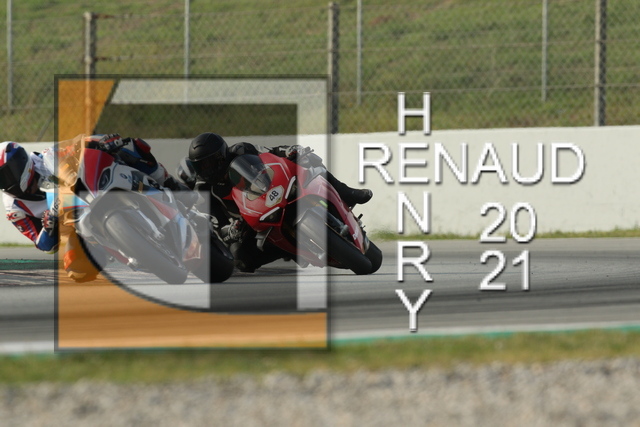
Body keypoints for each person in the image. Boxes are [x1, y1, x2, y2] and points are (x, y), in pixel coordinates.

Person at [0, 134, 186, 282]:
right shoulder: (14, 209)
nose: (5, 181)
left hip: (93, 186)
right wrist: (50, 225)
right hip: (78, 225)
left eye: (6, 174)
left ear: (20, 162)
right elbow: (44, 246)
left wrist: (103, 140)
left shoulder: (46, 157)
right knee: (77, 270)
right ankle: (129, 250)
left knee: (130, 148)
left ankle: (169, 183)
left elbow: (81, 142)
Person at [183, 132, 373, 272]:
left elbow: (271, 152)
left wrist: (290, 150)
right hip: (247, 221)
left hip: (272, 190)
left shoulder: (241, 149)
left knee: (306, 160)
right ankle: (288, 250)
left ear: (221, 155)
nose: (206, 169)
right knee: (242, 260)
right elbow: (216, 225)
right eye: (200, 166)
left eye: (209, 163)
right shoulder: (203, 191)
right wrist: (231, 230)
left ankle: (347, 193)